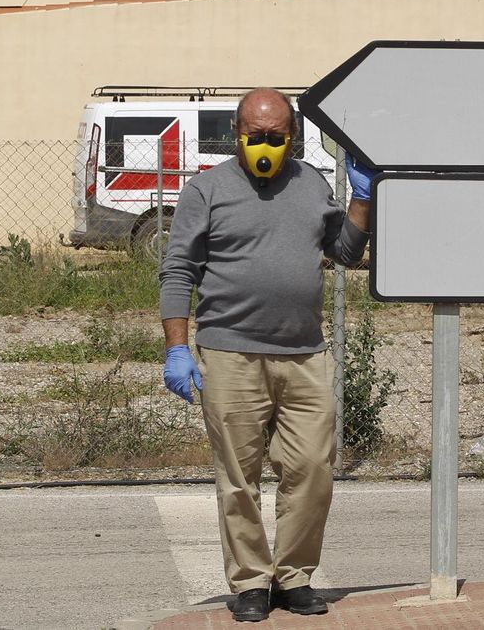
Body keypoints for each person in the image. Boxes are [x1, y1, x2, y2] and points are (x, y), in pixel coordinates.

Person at [158, 88, 374, 623]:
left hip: (304, 354)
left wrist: (364, 198)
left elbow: (344, 252)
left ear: (292, 137)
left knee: (312, 468)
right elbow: (178, 270)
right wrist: (178, 348)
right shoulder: (206, 190)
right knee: (239, 476)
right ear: (236, 134)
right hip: (230, 354)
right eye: (255, 135)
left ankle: (294, 576)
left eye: (276, 136)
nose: (265, 144)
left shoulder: (312, 184)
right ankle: (252, 582)